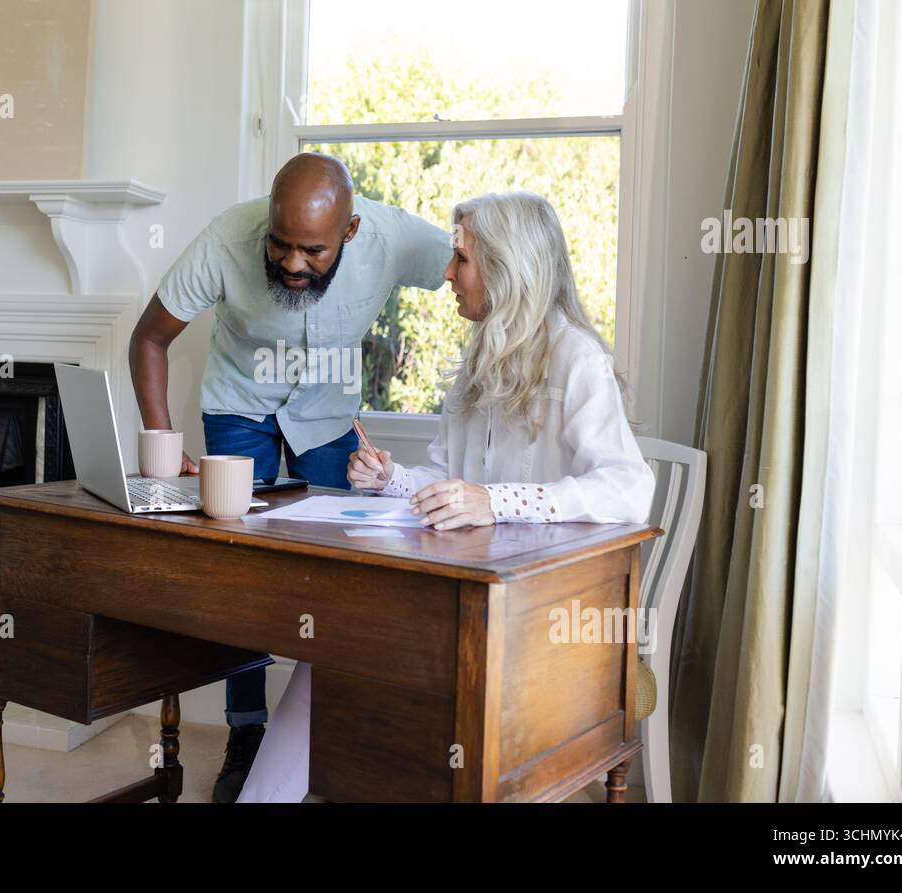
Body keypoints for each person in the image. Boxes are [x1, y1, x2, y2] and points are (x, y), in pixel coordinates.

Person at [235, 190, 656, 802]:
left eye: (461, 259)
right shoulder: (479, 362)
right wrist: (393, 480)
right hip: (468, 598)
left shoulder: (577, 360)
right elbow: (445, 479)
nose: (447, 274)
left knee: (360, 649)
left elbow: (629, 488)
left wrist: (494, 500)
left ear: (509, 269)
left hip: (543, 614)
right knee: (332, 643)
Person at [127, 153, 450, 802]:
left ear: (351, 232)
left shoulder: (393, 239)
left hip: (329, 418)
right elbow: (149, 339)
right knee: (240, 573)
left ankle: (331, 736)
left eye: (313, 250)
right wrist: (163, 441)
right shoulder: (227, 238)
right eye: (281, 244)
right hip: (238, 407)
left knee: (345, 576)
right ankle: (246, 734)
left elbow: (474, 264)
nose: (293, 263)